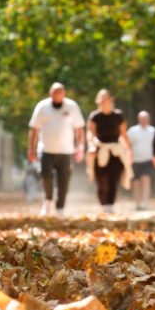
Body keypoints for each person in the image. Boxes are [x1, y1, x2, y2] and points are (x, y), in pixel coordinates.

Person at [27, 83, 86, 216]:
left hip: (66, 151)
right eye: (54, 92)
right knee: (45, 176)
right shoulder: (42, 107)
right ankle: (48, 201)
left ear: (64, 93)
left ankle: (60, 207)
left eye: (60, 92)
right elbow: (34, 129)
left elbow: (79, 129)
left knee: (64, 180)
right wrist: (31, 149)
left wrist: (80, 147)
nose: (57, 95)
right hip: (46, 150)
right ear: (50, 93)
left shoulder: (72, 106)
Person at [86, 90, 132, 214]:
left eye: (105, 98)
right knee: (101, 180)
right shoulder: (94, 116)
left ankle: (110, 205)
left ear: (111, 100)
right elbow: (90, 134)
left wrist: (129, 150)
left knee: (113, 179)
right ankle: (103, 205)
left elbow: (124, 134)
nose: (103, 101)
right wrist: (91, 146)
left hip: (116, 151)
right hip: (100, 150)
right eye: (101, 98)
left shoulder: (118, 116)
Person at [127, 111, 155, 210]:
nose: (143, 121)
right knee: (136, 183)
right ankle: (138, 203)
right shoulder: (132, 131)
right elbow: (127, 145)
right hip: (135, 161)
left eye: (145, 118)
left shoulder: (153, 131)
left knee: (146, 180)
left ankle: (145, 202)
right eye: (141, 119)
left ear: (149, 119)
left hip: (148, 160)